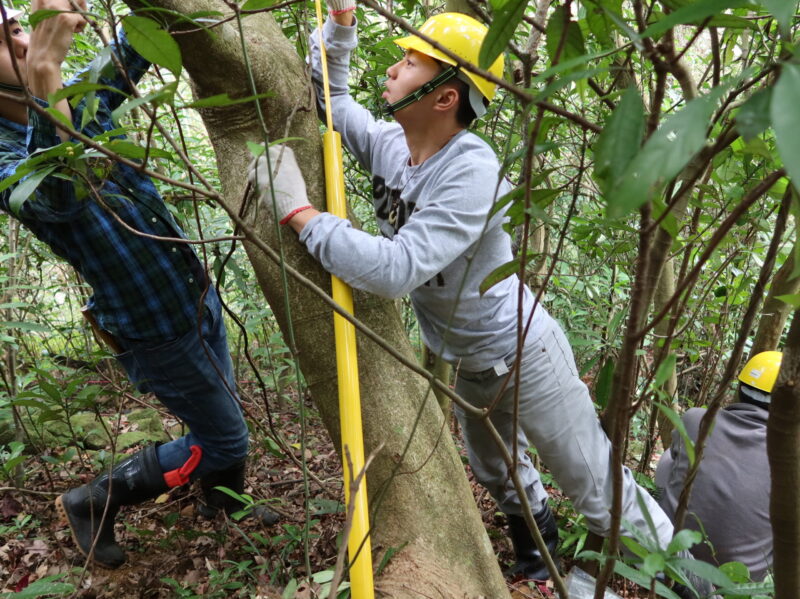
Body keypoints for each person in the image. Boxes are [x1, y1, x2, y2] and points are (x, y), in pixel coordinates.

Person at [248, 4, 684, 585]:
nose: (394, 69)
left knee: (596, 488)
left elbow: (397, 268)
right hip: (471, 360)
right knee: (495, 469)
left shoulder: (470, 169)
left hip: (525, 354)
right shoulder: (392, 147)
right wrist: (342, 30)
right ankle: (537, 554)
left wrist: (303, 216)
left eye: (409, 63)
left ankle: (697, 578)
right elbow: (334, 98)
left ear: (445, 97)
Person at [0, 1, 276, 569]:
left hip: (191, 292)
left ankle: (222, 504)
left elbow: (133, 48)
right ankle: (92, 499)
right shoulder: (5, 154)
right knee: (226, 439)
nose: (24, 43)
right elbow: (59, 196)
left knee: (219, 413)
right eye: (5, 40)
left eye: (18, 27)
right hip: (153, 328)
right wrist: (48, 77)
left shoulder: (78, 92)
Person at [656, 351, 779, 581]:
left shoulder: (696, 420)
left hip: (668, 558)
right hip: (736, 584)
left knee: (668, 458)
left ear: (738, 390)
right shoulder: (791, 459)